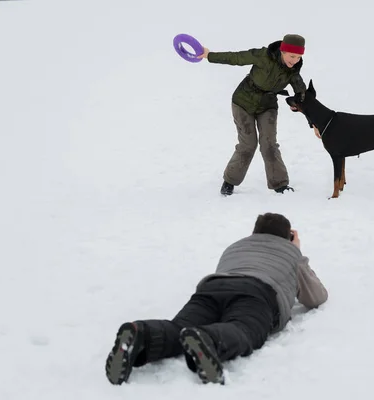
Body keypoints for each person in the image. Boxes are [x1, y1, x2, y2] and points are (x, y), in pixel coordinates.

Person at [105, 213, 328, 385]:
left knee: (180, 327)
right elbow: (317, 297)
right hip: (257, 293)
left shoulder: (235, 246)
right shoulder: (291, 253)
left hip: (213, 287)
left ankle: (141, 334)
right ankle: (210, 340)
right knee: (243, 328)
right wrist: (296, 250)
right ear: (288, 236)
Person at [196, 34, 310, 196]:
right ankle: (229, 181)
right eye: (292, 56)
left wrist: (301, 105)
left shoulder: (292, 70)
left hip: (267, 106)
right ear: (282, 51)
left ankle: (280, 185)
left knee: (269, 144)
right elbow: (236, 58)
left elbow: (301, 91)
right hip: (243, 102)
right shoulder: (263, 56)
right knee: (248, 144)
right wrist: (209, 55)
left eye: (299, 57)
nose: (295, 60)